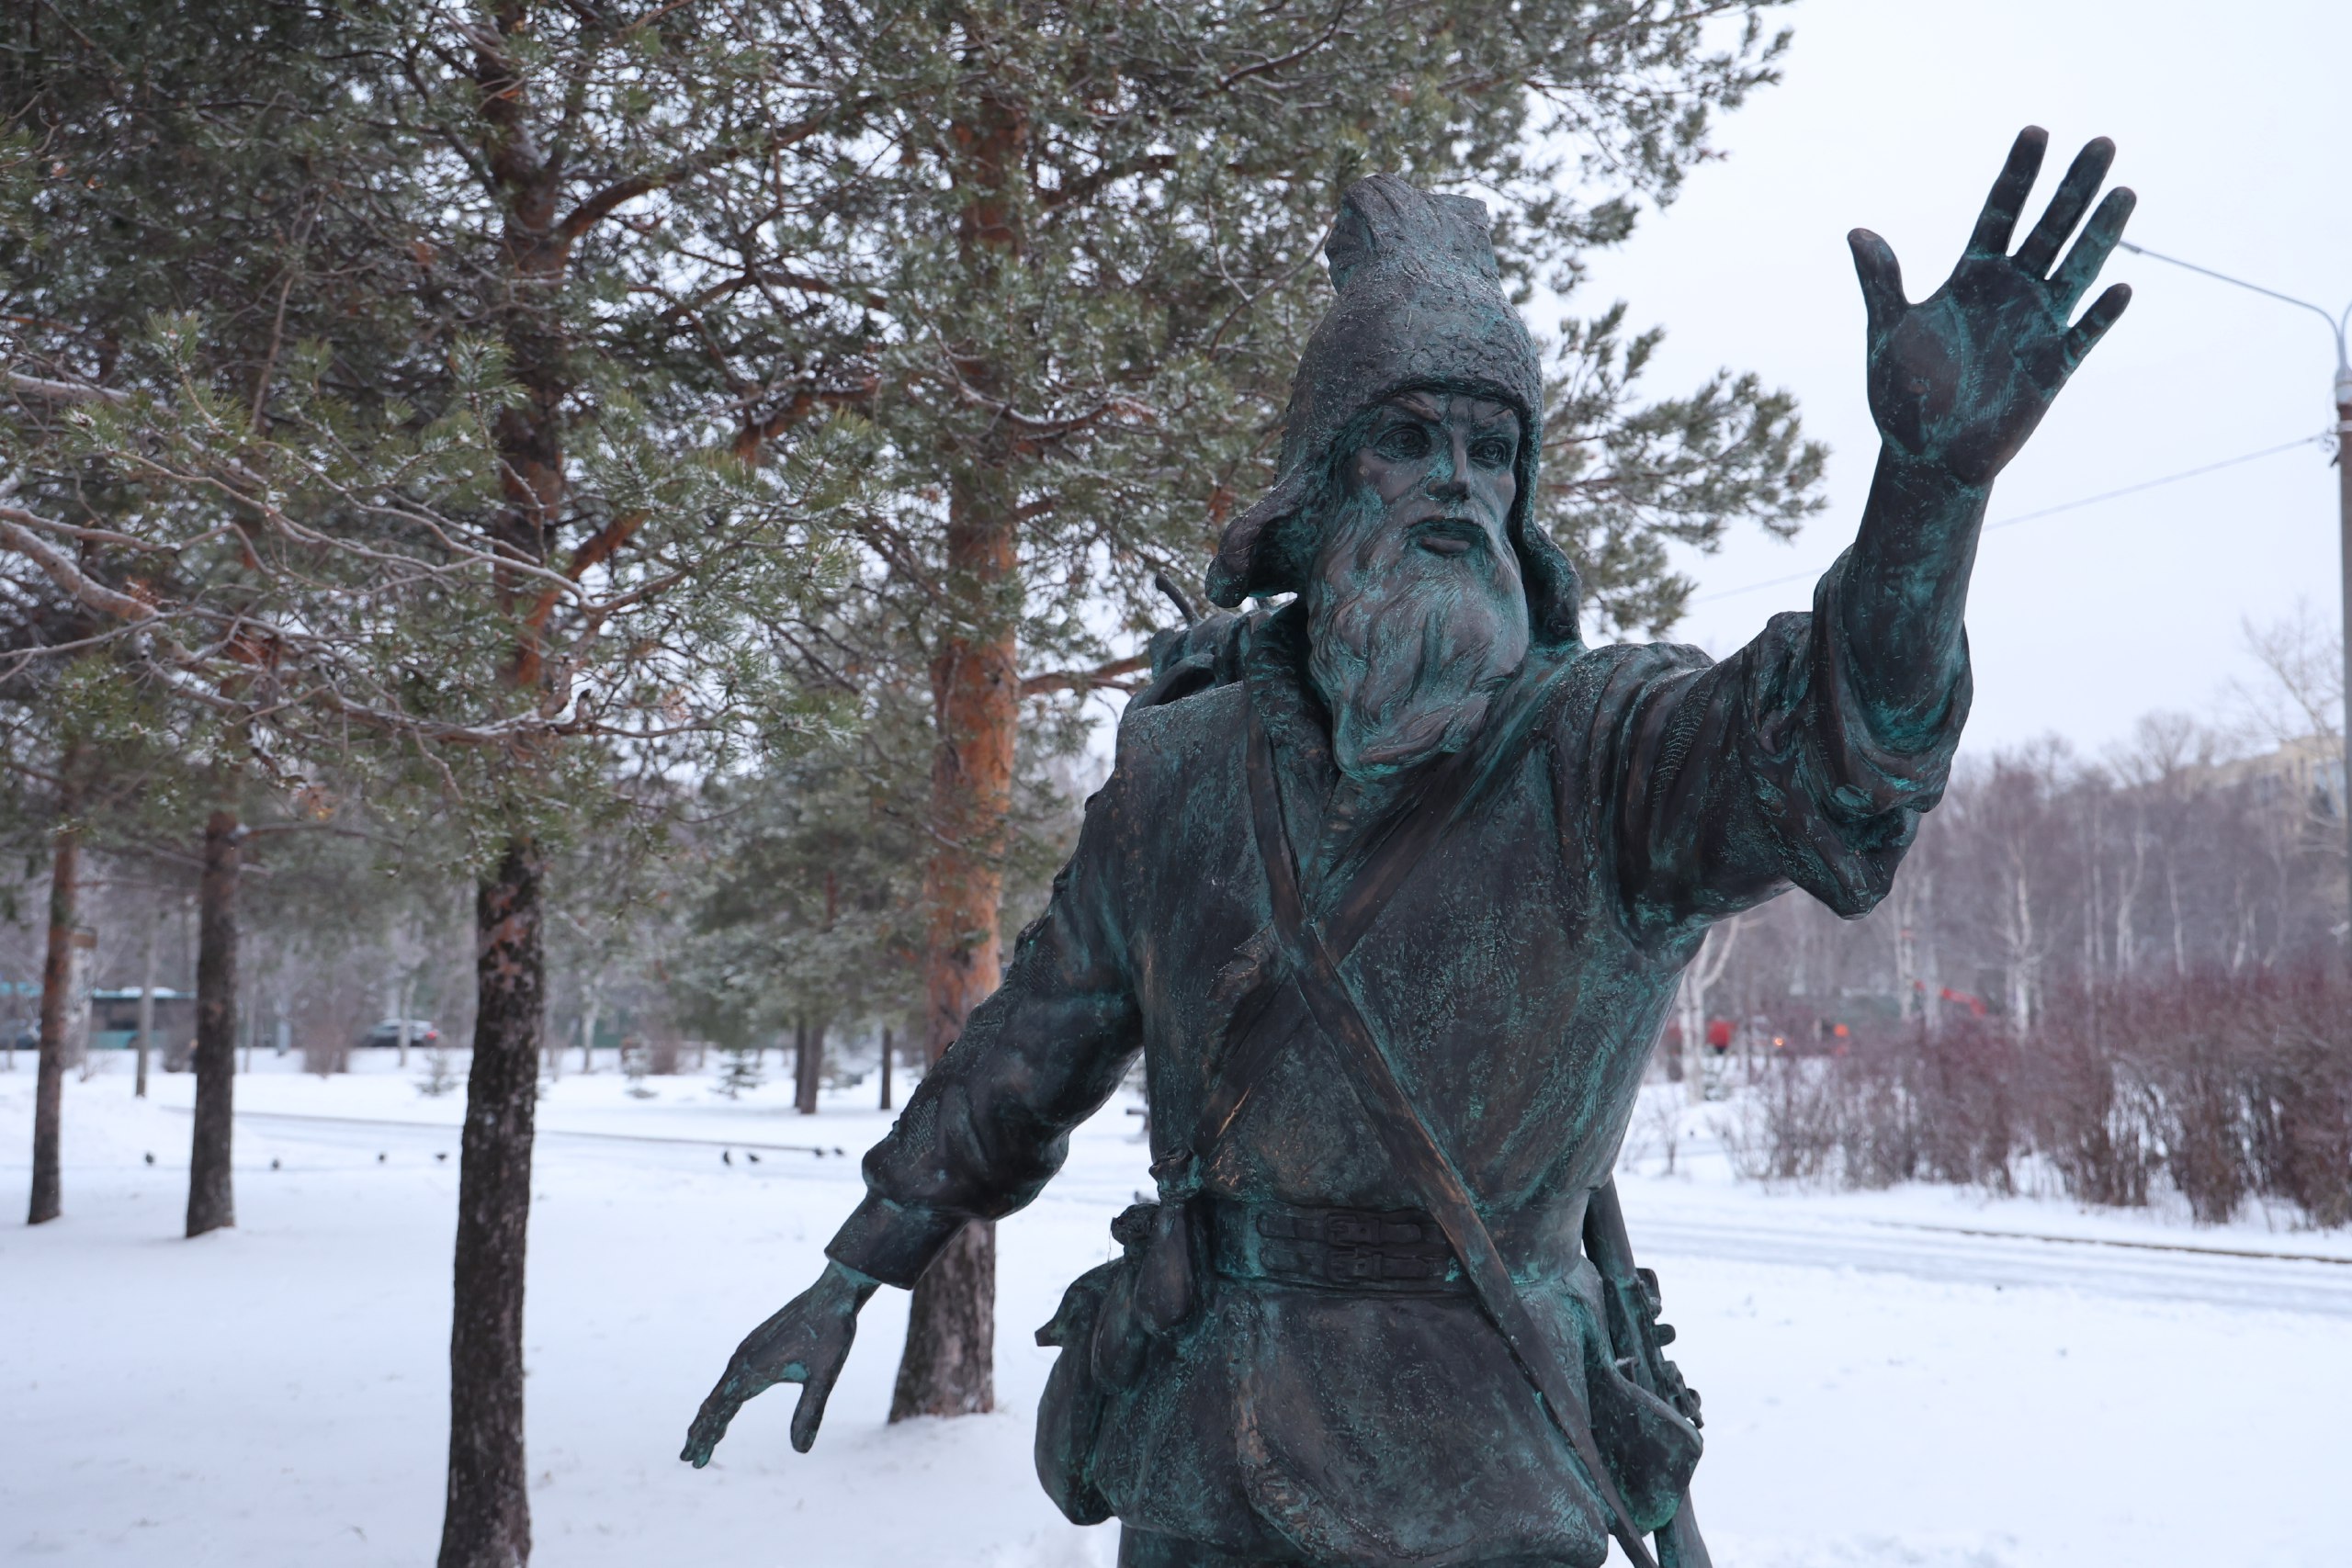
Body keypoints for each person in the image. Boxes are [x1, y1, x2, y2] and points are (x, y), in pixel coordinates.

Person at [683, 130, 2133, 1568]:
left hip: (1486, 1473)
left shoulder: (1606, 754)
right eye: (1406, 438)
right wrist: (855, 1268)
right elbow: (1032, 1048)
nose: (1454, 479)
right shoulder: (1181, 770)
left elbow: (1841, 744)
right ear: (1312, 493)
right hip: (1200, 1450)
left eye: (1490, 449)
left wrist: (1928, 496)